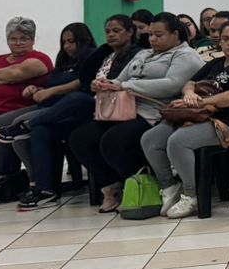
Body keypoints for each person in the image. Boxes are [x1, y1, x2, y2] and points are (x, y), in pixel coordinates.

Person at [74, 13, 204, 213]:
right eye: (150, 35)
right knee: (81, 137)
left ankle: (143, 185)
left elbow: (172, 85)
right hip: (123, 109)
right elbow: (120, 79)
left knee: (113, 140)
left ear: (176, 34)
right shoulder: (143, 54)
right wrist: (105, 84)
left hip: (156, 112)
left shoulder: (186, 56)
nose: (152, 39)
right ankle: (113, 186)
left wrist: (127, 86)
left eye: (159, 35)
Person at [8, 15, 138, 209]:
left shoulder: (138, 54)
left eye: (116, 31)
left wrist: (108, 85)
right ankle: (44, 189)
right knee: (42, 130)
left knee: (77, 99)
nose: (111, 35)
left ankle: (27, 125)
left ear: (130, 32)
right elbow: (87, 79)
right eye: (108, 31)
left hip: (109, 105)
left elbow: (88, 84)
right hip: (90, 106)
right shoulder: (104, 54)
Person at [140, 20, 229, 218]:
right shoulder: (216, 63)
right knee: (151, 139)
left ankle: (191, 195)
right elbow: (190, 82)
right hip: (197, 117)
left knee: (178, 141)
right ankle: (169, 187)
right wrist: (189, 93)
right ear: (219, 41)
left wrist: (200, 102)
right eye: (225, 39)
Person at [0, 18, 55, 188]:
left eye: (24, 38)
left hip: (10, 107)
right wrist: (6, 77)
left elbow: (16, 73)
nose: (18, 43)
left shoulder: (39, 59)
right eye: (13, 39)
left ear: (32, 40)